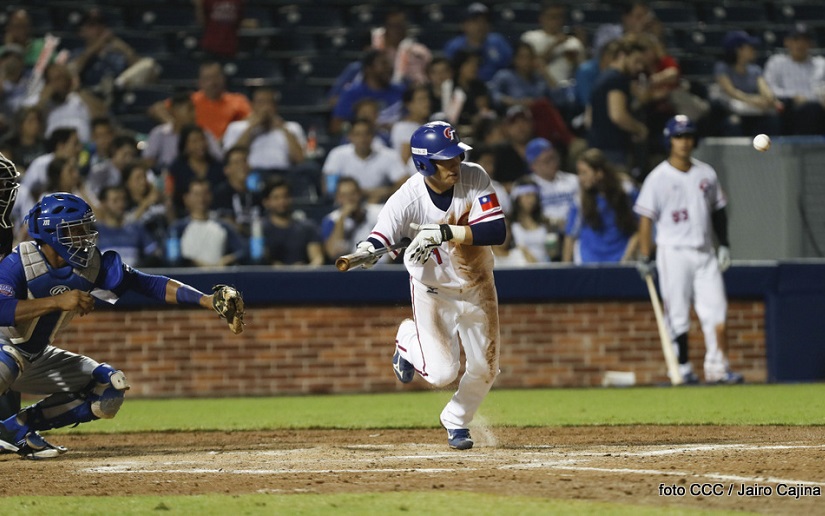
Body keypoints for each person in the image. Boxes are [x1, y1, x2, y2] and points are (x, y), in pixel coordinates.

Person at [0, 192, 243, 459]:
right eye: (75, 230)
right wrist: (58, 302)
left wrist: (206, 300)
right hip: (5, 350)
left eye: (85, 228)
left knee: (109, 388)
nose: (84, 237)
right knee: (8, 360)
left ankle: (13, 429)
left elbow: (147, 284)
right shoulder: (18, 262)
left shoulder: (90, 266)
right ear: (51, 234)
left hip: (34, 356)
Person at [358, 121, 506, 450]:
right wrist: (367, 250)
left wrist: (445, 232)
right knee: (441, 374)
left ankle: (456, 419)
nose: (455, 164)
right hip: (433, 291)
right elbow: (380, 236)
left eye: (456, 156)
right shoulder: (407, 197)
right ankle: (407, 340)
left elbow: (496, 230)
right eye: (444, 160)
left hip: (478, 285)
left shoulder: (474, 177)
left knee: (486, 367)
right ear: (425, 164)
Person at [634, 115, 742, 385]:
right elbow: (645, 220)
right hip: (673, 252)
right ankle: (682, 368)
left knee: (716, 311)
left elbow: (718, 211)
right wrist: (646, 255)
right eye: (679, 136)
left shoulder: (706, 173)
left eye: (688, 136)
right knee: (678, 314)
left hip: (705, 252)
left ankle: (718, 368)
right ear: (669, 140)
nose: (684, 142)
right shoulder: (657, 177)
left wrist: (724, 244)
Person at [563, 148, 639, 264]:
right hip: (588, 262)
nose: (580, 178)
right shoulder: (579, 199)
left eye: (584, 173)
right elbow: (570, 235)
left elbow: (639, 227)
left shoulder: (626, 191)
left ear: (599, 173)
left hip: (620, 259)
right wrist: (565, 268)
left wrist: (627, 258)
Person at [585, 37, 649, 173]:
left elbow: (588, 119)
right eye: (636, 61)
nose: (639, 67)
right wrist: (640, 129)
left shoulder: (602, 77)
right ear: (622, 55)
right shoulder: (617, 79)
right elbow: (618, 115)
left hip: (597, 148)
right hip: (614, 152)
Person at [149, 61, 251, 141]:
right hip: (194, 147)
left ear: (224, 79)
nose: (213, 82)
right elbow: (156, 109)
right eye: (207, 78)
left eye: (216, 77)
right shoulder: (190, 99)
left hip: (224, 146)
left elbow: (252, 118)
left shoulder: (238, 100)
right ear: (200, 82)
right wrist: (175, 126)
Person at [712, 30, 781, 137]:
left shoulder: (755, 70)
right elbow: (731, 92)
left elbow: (765, 90)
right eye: (750, 47)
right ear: (738, 50)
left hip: (753, 112)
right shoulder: (722, 68)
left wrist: (770, 99)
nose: (754, 50)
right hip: (731, 111)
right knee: (733, 123)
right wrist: (753, 100)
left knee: (772, 120)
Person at [321, 118, 407, 204]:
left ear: (373, 136)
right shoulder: (337, 154)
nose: (362, 139)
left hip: (379, 204)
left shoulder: (388, 155)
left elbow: (404, 184)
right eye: (357, 134)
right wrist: (362, 193)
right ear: (350, 136)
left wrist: (386, 192)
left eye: (367, 134)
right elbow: (329, 188)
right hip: (345, 204)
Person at [221, 87, 306, 173]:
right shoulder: (236, 127)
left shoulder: (292, 127)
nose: (266, 107)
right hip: (251, 174)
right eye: (261, 102)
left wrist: (283, 129)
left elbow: (300, 160)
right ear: (252, 105)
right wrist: (252, 127)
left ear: (276, 106)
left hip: (283, 173)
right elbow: (232, 157)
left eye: (269, 102)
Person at [763, 23, 825, 135]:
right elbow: (770, 88)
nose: (800, 44)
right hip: (786, 110)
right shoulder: (776, 62)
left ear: (811, 43)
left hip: (815, 111)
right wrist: (793, 96)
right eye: (796, 39)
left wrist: (808, 99)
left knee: (813, 109)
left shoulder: (820, 64)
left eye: (805, 40)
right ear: (787, 42)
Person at [168, 179, 246, 268]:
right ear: (186, 198)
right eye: (196, 194)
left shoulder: (223, 226)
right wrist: (192, 262)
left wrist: (227, 259)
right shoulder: (177, 228)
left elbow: (243, 250)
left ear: (211, 196)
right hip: (185, 274)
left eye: (205, 194)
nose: (201, 199)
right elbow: (171, 257)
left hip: (217, 273)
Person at [142, 91, 223, 173]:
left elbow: (218, 158)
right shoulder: (159, 133)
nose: (194, 114)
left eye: (194, 109)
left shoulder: (204, 134)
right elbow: (147, 160)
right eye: (189, 110)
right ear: (174, 111)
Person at [330, 49, 405, 136]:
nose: (389, 68)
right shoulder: (352, 93)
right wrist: (361, 127)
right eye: (384, 64)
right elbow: (335, 126)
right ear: (368, 69)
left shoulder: (401, 91)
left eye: (390, 64)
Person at [259, 177, 324, 266]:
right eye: (276, 198)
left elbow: (317, 259)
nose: (282, 201)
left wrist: (304, 270)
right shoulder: (260, 230)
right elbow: (261, 260)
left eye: (285, 196)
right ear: (266, 202)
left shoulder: (307, 228)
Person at [525, 137, 578, 244]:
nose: (553, 163)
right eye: (547, 161)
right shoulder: (527, 186)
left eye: (554, 158)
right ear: (533, 165)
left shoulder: (573, 181)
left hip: (575, 233)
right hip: (544, 236)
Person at [443, 3, 513, 82]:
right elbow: (449, 72)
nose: (480, 25)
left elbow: (510, 68)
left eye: (484, 21)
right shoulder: (454, 46)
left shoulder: (498, 42)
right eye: (475, 21)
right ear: (464, 25)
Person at [95, 185, 161, 268]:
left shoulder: (136, 228)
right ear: (103, 204)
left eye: (123, 200)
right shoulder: (96, 231)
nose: (121, 204)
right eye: (115, 201)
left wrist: (141, 267)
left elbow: (155, 253)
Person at [320, 177, 381, 261]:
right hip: (350, 266)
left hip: (381, 265)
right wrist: (342, 218)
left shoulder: (378, 213)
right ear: (338, 198)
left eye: (353, 194)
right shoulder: (332, 219)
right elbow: (333, 253)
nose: (349, 199)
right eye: (344, 195)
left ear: (360, 194)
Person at [509, 178, 552, 263]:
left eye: (534, 196)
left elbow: (552, 252)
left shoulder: (545, 224)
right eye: (527, 195)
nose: (531, 200)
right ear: (517, 198)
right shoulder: (510, 225)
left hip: (544, 267)